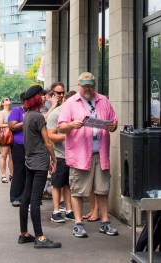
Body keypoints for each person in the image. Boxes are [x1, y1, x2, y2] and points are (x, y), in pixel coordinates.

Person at [58, 72, 119, 238]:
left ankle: (105, 222)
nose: (88, 88)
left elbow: (113, 120)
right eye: (85, 85)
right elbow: (61, 127)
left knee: (102, 189)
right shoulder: (71, 102)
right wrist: (71, 125)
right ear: (79, 85)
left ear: (95, 85)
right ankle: (78, 223)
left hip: (101, 153)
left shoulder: (103, 100)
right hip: (80, 155)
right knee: (78, 190)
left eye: (91, 85)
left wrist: (112, 126)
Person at [18, 84, 61, 249]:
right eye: (42, 96)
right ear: (36, 98)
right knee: (35, 200)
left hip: (29, 160)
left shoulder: (27, 115)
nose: (44, 98)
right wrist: (54, 159)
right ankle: (40, 237)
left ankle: (24, 234)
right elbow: (48, 143)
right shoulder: (38, 117)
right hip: (40, 161)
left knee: (26, 197)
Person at [47, 86, 74, 223]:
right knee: (57, 184)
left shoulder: (74, 114)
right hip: (59, 155)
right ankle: (56, 211)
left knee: (68, 185)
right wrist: (66, 136)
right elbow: (50, 136)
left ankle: (69, 210)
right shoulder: (55, 114)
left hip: (73, 156)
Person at [9, 92, 27, 207]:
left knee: (29, 172)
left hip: (32, 145)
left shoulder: (36, 111)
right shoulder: (17, 110)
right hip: (19, 145)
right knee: (19, 171)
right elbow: (12, 126)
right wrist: (26, 120)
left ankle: (26, 196)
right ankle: (16, 197)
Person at [0, 97, 13, 184]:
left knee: (12, 156)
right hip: (5, 135)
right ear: (2, 103)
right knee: (4, 155)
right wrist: (10, 125)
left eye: (8, 99)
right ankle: (3, 175)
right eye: (6, 100)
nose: (8, 101)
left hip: (13, 135)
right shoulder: (1, 113)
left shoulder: (12, 111)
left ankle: (12, 174)